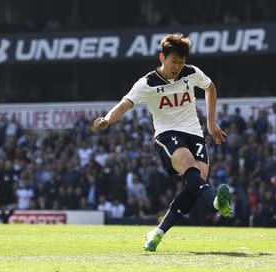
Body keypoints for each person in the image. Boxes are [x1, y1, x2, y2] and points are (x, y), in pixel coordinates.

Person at [93, 34, 232, 251]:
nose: (178, 66)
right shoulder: (147, 83)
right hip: (167, 135)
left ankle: (157, 233)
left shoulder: (191, 73)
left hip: (194, 133)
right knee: (189, 164)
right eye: (174, 61)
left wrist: (211, 121)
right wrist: (107, 120)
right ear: (162, 57)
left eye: (181, 62)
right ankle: (216, 201)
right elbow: (124, 104)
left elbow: (210, 87)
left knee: (198, 181)